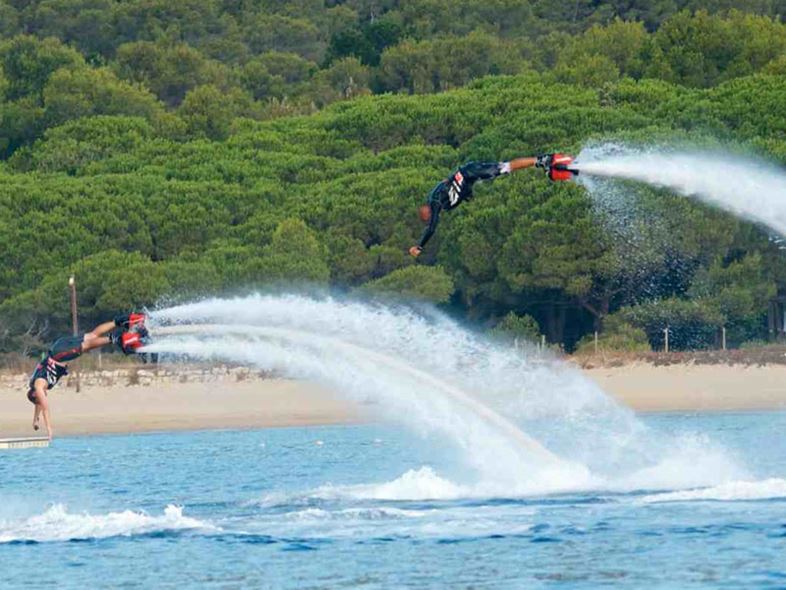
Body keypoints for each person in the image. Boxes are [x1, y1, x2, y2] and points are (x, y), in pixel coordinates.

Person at [409, 153, 564, 256]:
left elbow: (432, 228)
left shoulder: (434, 200)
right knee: (504, 169)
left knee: (506, 168)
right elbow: (454, 187)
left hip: (469, 171)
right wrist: (467, 192)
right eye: (425, 216)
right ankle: (544, 164)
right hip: (471, 176)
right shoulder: (445, 205)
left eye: (424, 212)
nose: (425, 213)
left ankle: (542, 160)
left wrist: (420, 246)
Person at [26, 313, 148, 440]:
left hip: (61, 354)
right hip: (59, 346)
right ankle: (123, 320)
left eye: (40, 398)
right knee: (92, 336)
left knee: (88, 345)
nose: (44, 397)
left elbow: (44, 407)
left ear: (35, 394)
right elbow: (39, 404)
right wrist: (35, 420)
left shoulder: (39, 386)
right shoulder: (36, 386)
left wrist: (49, 430)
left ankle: (121, 338)